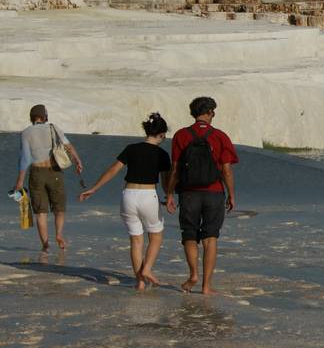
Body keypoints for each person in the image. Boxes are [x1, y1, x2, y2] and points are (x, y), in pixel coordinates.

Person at [79, 113, 171, 291]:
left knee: (136, 241)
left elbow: (113, 169)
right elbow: (166, 179)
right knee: (156, 236)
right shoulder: (162, 154)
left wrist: (94, 188)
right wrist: (169, 196)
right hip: (147, 194)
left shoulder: (131, 148)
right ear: (162, 134)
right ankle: (147, 270)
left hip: (128, 195)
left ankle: (140, 283)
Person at [164, 96, 239, 294]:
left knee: (189, 234)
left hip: (188, 193)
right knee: (210, 237)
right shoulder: (220, 136)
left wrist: (169, 193)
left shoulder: (181, 135)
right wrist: (231, 194)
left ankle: (193, 274)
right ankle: (206, 286)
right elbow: (227, 170)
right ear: (210, 112)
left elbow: (175, 169)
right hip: (214, 193)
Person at [13, 104, 84, 253]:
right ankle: (58, 234)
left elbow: (25, 159)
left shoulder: (26, 133)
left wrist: (20, 180)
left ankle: (45, 245)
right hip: (54, 171)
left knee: (40, 212)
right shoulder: (53, 128)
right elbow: (68, 146)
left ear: (32, 117)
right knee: (59, 208)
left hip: (36, 173)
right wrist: (77, 160)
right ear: (44, 116)